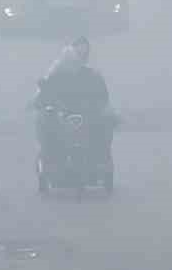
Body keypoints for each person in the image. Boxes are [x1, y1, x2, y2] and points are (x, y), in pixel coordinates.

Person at [33, 35, 116, 169]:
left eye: (84, 53)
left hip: (87, 118)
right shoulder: (57, 74)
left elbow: (102, 96)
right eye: (78, 53)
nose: (80, 57)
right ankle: (49, 163)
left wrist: (101, 109)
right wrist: (45, 103)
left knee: (103, 128)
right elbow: (44, 94)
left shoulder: (92, 75)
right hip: (62, 117)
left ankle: (101, 162)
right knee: (47, 129)